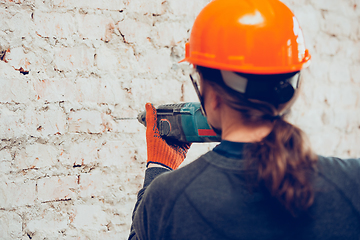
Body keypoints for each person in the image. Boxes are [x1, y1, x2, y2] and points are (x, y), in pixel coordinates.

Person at [128, 0, 360, 239]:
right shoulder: (352, 182)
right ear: (292, 89)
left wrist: (158, 169)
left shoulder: (166, 199)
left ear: (213, 94)